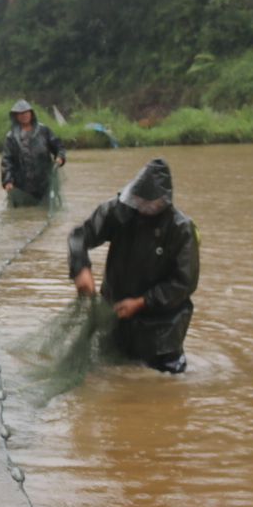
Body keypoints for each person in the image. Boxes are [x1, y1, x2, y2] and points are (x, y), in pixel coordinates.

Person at [68, 157, 199, 374]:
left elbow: (183, 283)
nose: (141, 206)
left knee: (164, 389)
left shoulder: (181, 229)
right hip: (116, 316)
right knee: (110, 375)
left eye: (149, 202)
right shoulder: (118, 211)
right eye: (137, 199)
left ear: (163, 201)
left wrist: (142, 302)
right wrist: (80, 267)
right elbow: (79, 237)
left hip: (162, 330)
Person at [0, 99, 66, 207]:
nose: (24, 115)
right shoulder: (11, 137)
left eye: (26, 112)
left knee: (44, 210)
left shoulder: (44, 131)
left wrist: (60, 158)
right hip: (22, 184)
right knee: (22, 216)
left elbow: (59, 147)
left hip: (44, 182)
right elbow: (7, 160)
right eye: (20, 113)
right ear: (16, 116)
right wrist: (7, 181)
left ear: (31, 113)